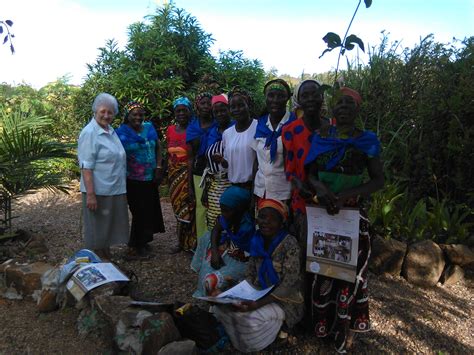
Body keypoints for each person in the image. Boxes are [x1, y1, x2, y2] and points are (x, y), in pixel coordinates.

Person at [305, 87, 384, 353]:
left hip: (351, 215)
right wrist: (321, 189)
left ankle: (345, 329)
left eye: (349, 103)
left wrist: (346, 195)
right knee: (323, 271)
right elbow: (310, 173)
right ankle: (322, 327)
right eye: (339, 103)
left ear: (358, 109)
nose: (343, 107)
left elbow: (378, 179)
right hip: (324, 214)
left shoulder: (367, 140)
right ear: (333, 109)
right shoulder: (321, 137)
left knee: (351, 274)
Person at [212, 199, 304, 353]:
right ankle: (246, 335)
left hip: (284, 300)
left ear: (281, 222)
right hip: (257, 291)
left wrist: (259, 303)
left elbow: (289, 284)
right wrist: (237, 294)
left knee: (249, 319)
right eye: (262, 217)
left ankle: (274, 332)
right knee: (220, 309)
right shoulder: (257, 240)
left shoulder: (290, 244)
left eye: (271, 218)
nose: (265, 222)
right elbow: (250, 274)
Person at [77, 93, 129, 260]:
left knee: (107, 227)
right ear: (95, 111)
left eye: (110, 112)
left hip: (114, 187)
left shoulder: (110, 130)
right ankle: (99, 263)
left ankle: (106, 257)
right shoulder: (89, 133)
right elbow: (86, 166)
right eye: (103, 111)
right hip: (98, 190)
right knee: (97, 229)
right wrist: (91, 195)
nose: (107, 115)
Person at [282, 79, 329, 253]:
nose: (310, 99)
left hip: (332, 199)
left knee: (329, 251)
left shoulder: (333, 127)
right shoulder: (290, 130)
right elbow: (288, 168)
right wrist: (299, 185)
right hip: (302, 200)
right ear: (298, 100)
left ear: (322, 97)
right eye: (305, 95)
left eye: (314, 94)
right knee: (306, 250)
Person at [116, 101, 165, 257]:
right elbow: (116, 155)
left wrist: (158, 167)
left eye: (140, 114)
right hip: (132, 179)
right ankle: (137, 246)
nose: (138, 117)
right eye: (134, 114)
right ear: (127, 116)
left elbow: (158, 147)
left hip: (150, 178)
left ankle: (141, 242)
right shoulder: (120, 133)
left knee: (149, 210)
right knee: (139, 212)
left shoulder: (149, 128)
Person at [191, 185, 254, 297]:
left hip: (242, 261)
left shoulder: (248, 228)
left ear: (239, 208)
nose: (223, 214)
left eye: (226, 210)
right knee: (206, 237)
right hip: (230, 251)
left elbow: (247, 256)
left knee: (210, 280)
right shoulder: (229, 217)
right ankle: (202, 273)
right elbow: (216, 229)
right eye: (222, 209)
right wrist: (215, 253)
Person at [253, 79, 295, 205]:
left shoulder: (295, 124)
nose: (275, 100)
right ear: (265, 98)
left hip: (285, 194)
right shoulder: (260, 124)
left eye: (280, 96)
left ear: (287, 99)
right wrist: (252, 193)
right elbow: (256, 161)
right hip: (261, 191)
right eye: (271, 95)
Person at [166, 97, 196, 252]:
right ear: (174, 113)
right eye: (178, 110)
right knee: (177, 208)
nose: (181, 113)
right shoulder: (170, 130)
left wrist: (190, 183)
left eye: (185, 110)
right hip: (173, 174)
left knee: (188, 207)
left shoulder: (193, 129)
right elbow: (167, 152)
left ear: (190, 112)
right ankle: (180, 241)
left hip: (187, 174)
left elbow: (192, 158)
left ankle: (190, 243)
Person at [201, 94, 234, 230]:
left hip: (231, 183)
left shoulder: (235, 128)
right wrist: (205, 189)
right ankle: (214, 249)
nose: (220, 114)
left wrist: (222, 160)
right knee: (214, 218)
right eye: (216, 112)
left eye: (223, 110)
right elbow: (206, 161)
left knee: (229, 221)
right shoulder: (211, 132)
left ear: (229, 110)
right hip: (214, 185)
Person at [186, 92, 216, 238]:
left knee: (216, 207)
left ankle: (216, 244)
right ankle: (202, 246)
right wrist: (190, 184)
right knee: (201, 208)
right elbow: (190, 157)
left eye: (209, 103)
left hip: (217, 172)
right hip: (198, 172)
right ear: (197, 105)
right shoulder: (192, 127)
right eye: (202, 103)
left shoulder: (219, 124)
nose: (206, 106)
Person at [217, 88, 257, 190]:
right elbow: (227, 165)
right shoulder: (227, 133)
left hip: (255, 187)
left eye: (241, 105)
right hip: (234, 187)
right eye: (233, 107)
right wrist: (221, 160)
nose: (236, 110)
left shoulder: (258, 127)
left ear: (249, 106)